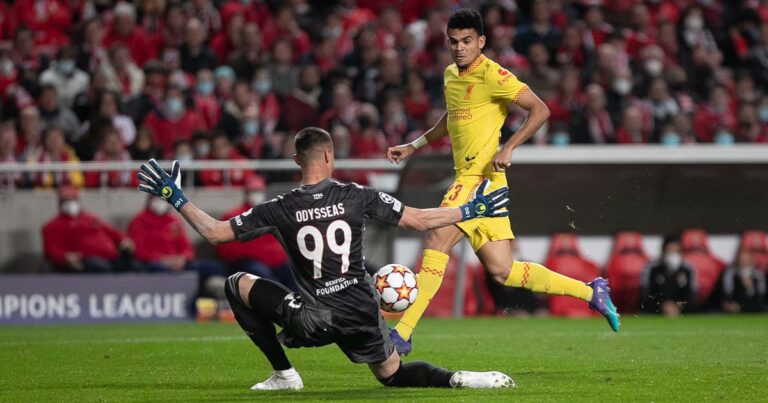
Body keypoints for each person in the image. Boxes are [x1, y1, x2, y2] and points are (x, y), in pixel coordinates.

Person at [136, 127, 513, 390]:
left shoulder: (278, 207)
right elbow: (418, 219)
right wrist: (470, 209)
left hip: (314, 319)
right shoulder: (357, 195)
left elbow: (215, 233)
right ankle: (463, 378)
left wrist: (175, 197)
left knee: (237, 284)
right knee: (392, 376)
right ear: (330, 155)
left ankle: (284, 374)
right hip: (363, 312)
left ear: (297, 159)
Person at [386, 8, 619, 354]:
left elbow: (540, 109)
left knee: (435, 240)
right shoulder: (451, 74)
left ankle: (402, 333)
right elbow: (452, 118)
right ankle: (591, 291)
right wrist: (414, 145)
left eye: (467, 41)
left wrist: (509, 146)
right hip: (478, 182)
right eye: (453, 42)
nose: (460, 48)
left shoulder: (494, 74)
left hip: (480, 179)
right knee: (503, 271)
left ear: (481, 41)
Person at [217, 177, 297, 291]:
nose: (257, 195)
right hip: (245, 264)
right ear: (246, 193)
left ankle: (301, 303)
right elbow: (227, 251)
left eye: (259, 191)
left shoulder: (270, 214)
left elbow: (278, 245)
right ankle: (281, 302)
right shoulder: (232, 216)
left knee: (294, 269)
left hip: (271, 262)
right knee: (261, 273)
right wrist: (262, 255)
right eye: (253, 191)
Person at [42, 186, 134, 273]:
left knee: (133, 266)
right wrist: (65, 257)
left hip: (110, 256)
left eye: (73, 199)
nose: (70, 203)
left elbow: (111, 231)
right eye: (66, 200)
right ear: (60, 203)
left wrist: (123, 240)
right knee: (101, 267)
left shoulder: (90, 218)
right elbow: (51, 250)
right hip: (86, 259)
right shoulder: (53, 226)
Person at [640, 235, 697, 316]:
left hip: (682, 312)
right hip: (656, 311)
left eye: (676, 250)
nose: (673, 253)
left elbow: (691, 295)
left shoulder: (687, 269)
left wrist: (678, 306)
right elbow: (647, 293)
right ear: (664, 250)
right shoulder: (653, 268)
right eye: (670, 250)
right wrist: (662, 305)